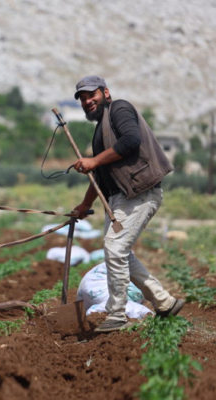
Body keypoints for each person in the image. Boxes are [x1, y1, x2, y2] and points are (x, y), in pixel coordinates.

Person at [70, 75, 184, 333]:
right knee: (119, 252)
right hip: (120, 198)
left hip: (140, 193)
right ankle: (164, 302)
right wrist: (84, 204)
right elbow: (99, 174)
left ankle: (117, 314)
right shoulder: (100, 130)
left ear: (105, 93)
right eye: (83, 98)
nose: (88, 101)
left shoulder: (120, 108)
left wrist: (94, 160)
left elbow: (131, 141)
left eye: (92, 95)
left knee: (114, 247)